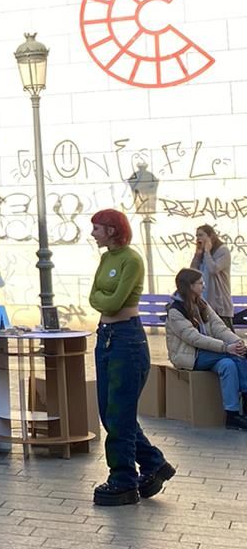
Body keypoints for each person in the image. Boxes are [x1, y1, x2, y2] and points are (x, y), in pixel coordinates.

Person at [89, 209, 173, 506]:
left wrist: (102, 299)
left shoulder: (132, 260)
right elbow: (94, 297)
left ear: (112, 230)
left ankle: (122, 478)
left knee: (120, 414)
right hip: (106, 337)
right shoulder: (105, 258)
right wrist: (102, 300)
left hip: (128, 338)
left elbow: (112, 301)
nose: (93, 233)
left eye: (97, 228)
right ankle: (153, 462)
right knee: (109, 412)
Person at [166, 267, 247, 430]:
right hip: (189, 357)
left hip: (209, 355)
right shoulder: (175, 310)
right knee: (235, 357)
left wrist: (238, 343)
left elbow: (220, 328)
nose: (204, 286)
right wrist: (226, 348)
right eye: (200, 283)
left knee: (228, 365)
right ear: (189, 286)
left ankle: (232, 415)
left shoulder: (202, 304)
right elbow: (194, 339)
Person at [192, 226, 234, 324]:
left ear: (211, 236)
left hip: (219, 303)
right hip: (204, 302)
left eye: (201, 235)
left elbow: (213, 269)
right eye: (197, 236)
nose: (198, 238)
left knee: (226, 335)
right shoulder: (202, 253)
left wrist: (207, 252)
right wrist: (198, 255)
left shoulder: (223, 251)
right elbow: (192, 273)